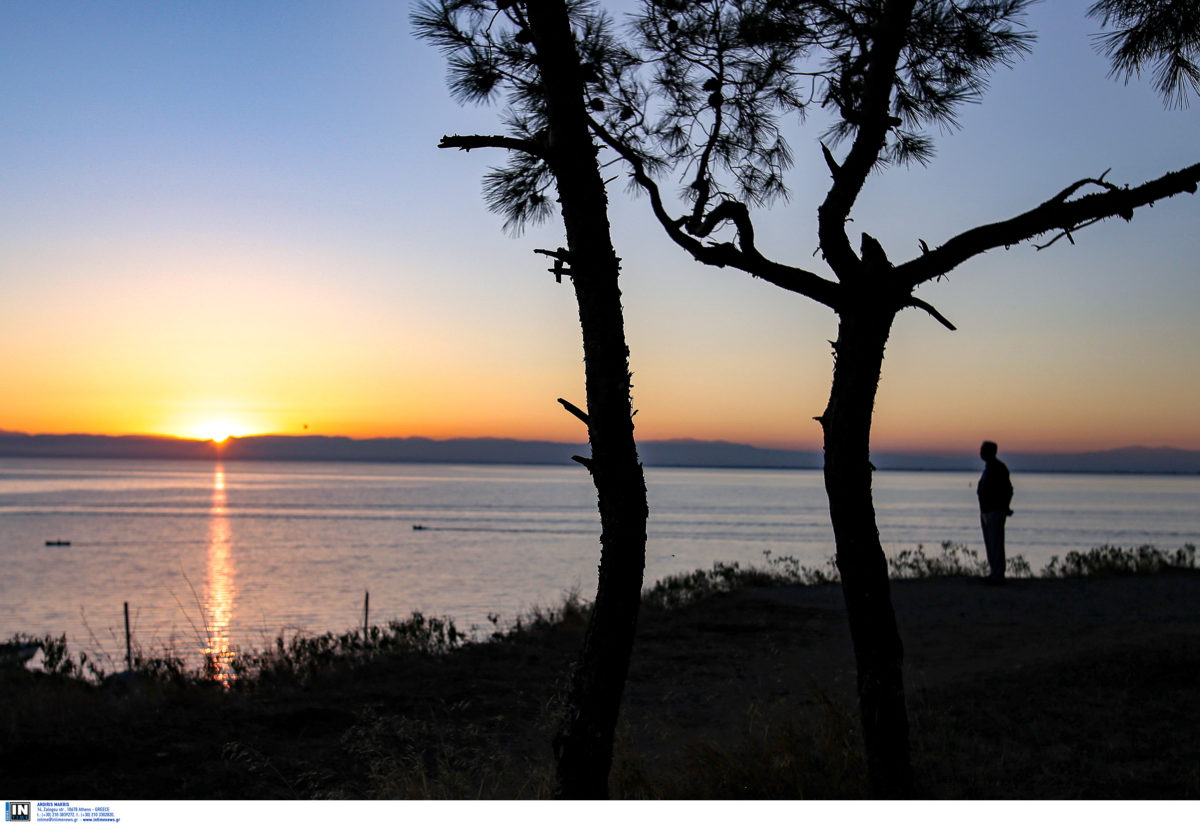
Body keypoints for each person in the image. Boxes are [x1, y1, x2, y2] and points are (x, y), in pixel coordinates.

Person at [977, 440, 1014, 583]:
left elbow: (1008, 490)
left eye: (983, 450)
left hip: (995, 511)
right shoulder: (989, 468)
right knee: (990, 543)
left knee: (996, 542)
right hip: (986, 511)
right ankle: (994, 571)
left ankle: (998, 574)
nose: (980, 453)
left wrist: (1004, 506)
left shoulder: (999, 468)